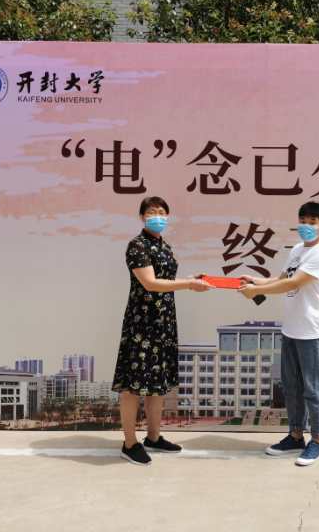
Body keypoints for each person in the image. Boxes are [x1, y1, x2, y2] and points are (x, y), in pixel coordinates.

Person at [112, 196, 212, 466]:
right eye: (151, 212)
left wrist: (192, 279)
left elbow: (167, 280)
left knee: (157, 384)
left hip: (164, 321)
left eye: (162, 212)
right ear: (142, 217)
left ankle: (153, 437)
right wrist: (188, 284)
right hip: (142, 322)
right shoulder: (137, 245)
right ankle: (129, 443)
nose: (157, 216)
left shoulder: (164, 246)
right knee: (133, 385)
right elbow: (150, 283)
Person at [240, 201, 319, 466]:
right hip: (291, 329)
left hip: (312, 332)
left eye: (312, 222)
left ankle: (317, 441)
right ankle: (295, 436)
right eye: (303, 221)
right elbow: (283, 277)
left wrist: (258, 291)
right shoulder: (297, 249)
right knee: (292, 388)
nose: (306, 226)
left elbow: (295, 283)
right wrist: (256, 281)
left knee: (313, 390)